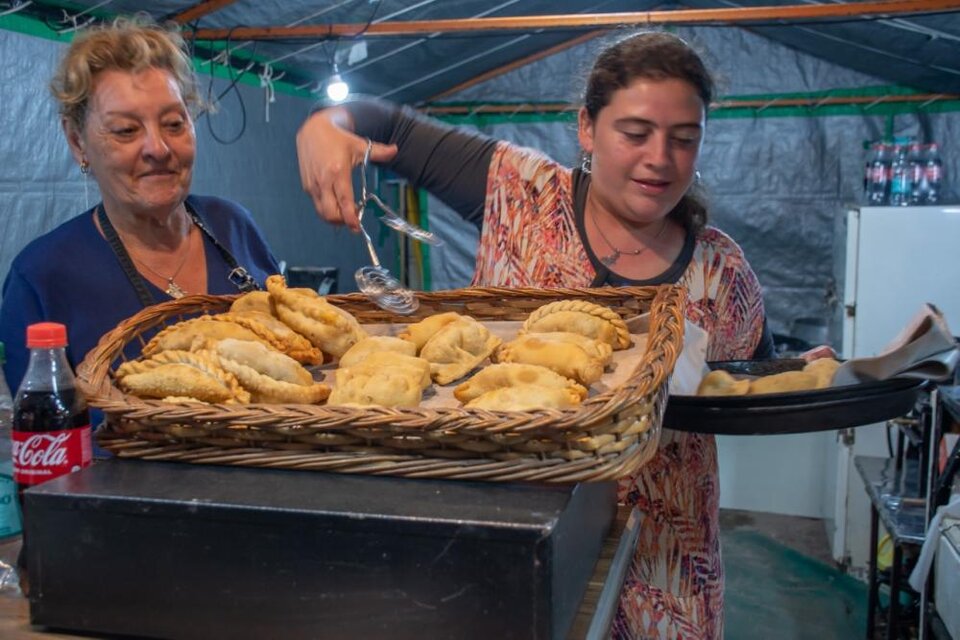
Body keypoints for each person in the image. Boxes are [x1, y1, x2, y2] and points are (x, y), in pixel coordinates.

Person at [298, 31, 774, 638]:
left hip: (665, 564)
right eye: (635, 133)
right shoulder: (520, 193)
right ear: (586, 127)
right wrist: (322, 125)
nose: (660, 157)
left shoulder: (721, 273)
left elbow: (753, 384)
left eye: (684, 139)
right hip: (507, 542)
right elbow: (378, 119)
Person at [0, 19, 280, 394]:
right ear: (77, 141)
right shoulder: (42, 277)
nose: (158, 148)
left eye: (173, 123)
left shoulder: (232, 225)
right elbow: (41, 429)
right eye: (126, 131)